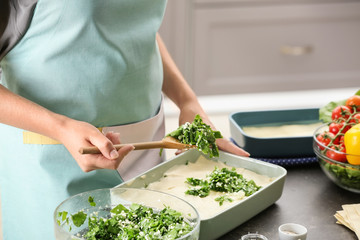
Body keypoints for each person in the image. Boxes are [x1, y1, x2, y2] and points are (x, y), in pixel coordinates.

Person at [0, 0, 249, 239]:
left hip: (146, 151)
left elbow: (136, 30)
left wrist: (187, 102)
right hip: (53, 161)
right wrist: (61, 127)